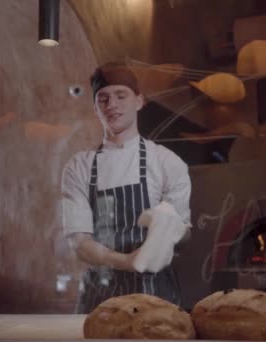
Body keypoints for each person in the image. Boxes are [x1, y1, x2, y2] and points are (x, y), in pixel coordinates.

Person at [61, 62, 192, 313]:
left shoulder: (167, 163)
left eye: (121, 96)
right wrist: (128, 261)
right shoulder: (79, 167)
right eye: (103, 98)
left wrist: (170, 226)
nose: (112, 105)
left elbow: (185, 235)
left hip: (156, 295)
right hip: (99, 296)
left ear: (139, 101)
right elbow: (79, 241)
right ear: (95, 107)